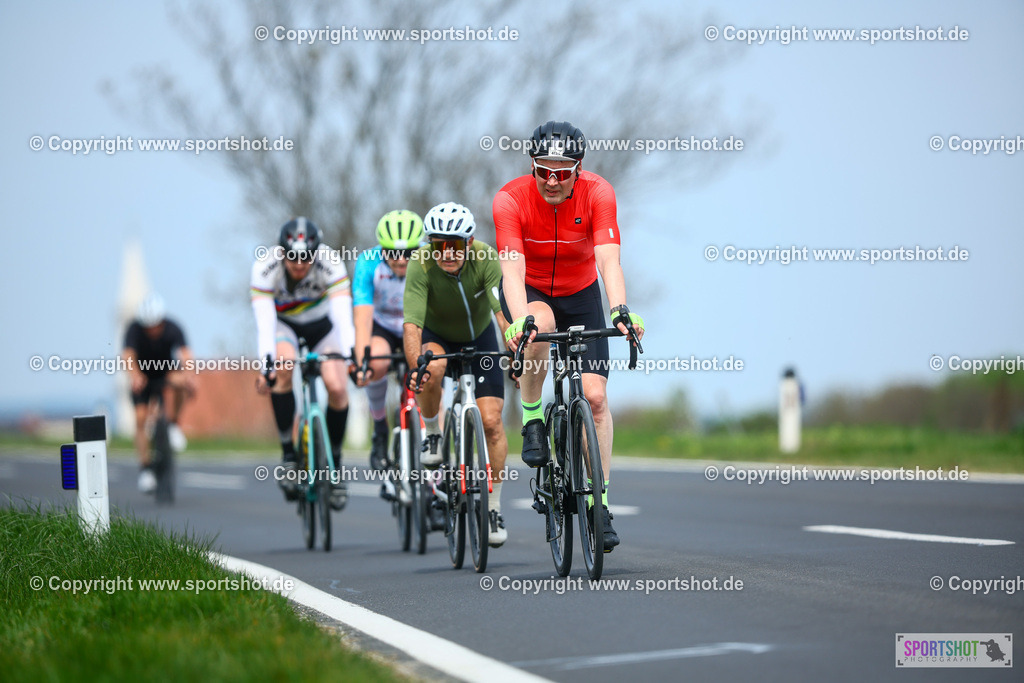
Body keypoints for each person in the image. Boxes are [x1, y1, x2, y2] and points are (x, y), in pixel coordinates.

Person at [494, 120, 646, 551]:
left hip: (581, 293)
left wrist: (619, 309)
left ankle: (600, 503)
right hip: (533, 291)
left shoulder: (599, 193)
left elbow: (608, 260)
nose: (553, 181)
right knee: (537, 327)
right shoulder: (510, 199)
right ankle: (531, 417)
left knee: (595, 399)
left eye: (563, 171)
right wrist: (520, 320)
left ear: (579, 168)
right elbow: (512, 271)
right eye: (545, 170)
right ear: (533, 166)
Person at [402, 202, 510, 547]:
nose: (447, 252)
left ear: (470, 241)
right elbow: (412, 325)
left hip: (481, 337)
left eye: (455, 244)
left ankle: (492, 507)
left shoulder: (485, 257)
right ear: (430, 244)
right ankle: (433, 430)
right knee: (432, 368)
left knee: (492, 422)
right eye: (438, 244)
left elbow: (502, 314)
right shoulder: (420, 265)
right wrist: (416, 366)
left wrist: (515, 351)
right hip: (438, 336)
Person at [251, 217, 355, 510]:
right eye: (293, 257)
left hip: (323, 327)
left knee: (337, 386)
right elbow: (265, 323)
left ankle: (335, 462)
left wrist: (351, 357)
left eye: (306, 258)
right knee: (283, 368)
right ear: (281, 252)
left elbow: (343, 317)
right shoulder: (265, 267)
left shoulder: (330, 262)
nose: (299, 264)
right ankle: (288, 454)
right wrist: (266, 365)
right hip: (285, 327)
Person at [352, 210, 424, 473]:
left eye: (408, 253)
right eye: (393, 253)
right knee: (377, 362)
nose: (401, 260)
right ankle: (380, 428)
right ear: (382, 249)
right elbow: (362, 318)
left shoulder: (429, 260)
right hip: (383, 325)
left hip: (417, 325)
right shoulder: (368, 263)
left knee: (429, 371)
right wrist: (362, 362)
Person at [123, 293, 195, 493]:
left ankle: (173, 424)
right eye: (148, 327)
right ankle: (145, 469)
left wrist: (189, 375)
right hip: (143, 377)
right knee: (140, 418)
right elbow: (128, 356)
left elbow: (185, 354)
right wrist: (135, 376)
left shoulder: (173, 327)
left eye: (156, 326)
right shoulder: (134, 329)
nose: (153, 331)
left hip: (165, 372)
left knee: (182, 383)